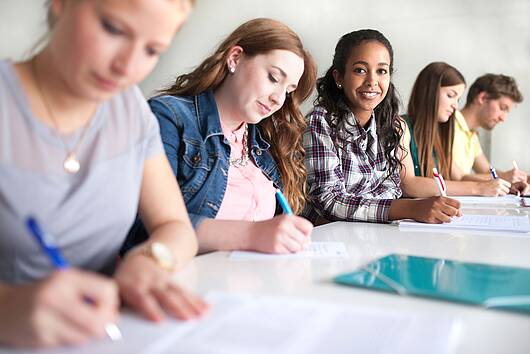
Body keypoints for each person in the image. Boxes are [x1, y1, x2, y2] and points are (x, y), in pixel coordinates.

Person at [0, 0, 207, 348]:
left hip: (103, 333)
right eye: (113, 29)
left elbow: (175, 227)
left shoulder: (131, 110)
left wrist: (151, 260)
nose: (125, 67)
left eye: (152, 50)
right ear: (60, 5)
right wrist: (7, 308)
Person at [124, 18, 316, 255]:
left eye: (288, 91)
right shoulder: (169, 118)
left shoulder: (264, 142)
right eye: (273, 78)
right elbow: (142, 228)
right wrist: (252, 235)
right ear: (235, 58)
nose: (278, 98)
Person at [302, 29, 461, 225]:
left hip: (370, 232)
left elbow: (393, 187)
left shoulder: (388, 124)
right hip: (327, 238)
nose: (372, 81)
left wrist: (363, 205)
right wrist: (410, 208)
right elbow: (329, 201)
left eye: (381, 71)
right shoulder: (321, 122)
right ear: (339, 77)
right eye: (360, 70)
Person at [400, 62, 525, 197]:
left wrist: (505, 185)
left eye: (457, 99)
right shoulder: (405, 126)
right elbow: (409, 185)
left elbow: (461, 175)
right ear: (430, 92)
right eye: (450, 95)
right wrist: (480, 187)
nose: (455, 106)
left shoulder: (441, 133)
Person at [451, 74, 528, 188]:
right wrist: (502, 178)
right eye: (502, 108)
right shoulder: (447, 125)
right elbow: (457, 177)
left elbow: (487, 171)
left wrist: (512, 177)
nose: (503, 118)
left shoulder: (471, 135)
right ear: (482, 98)